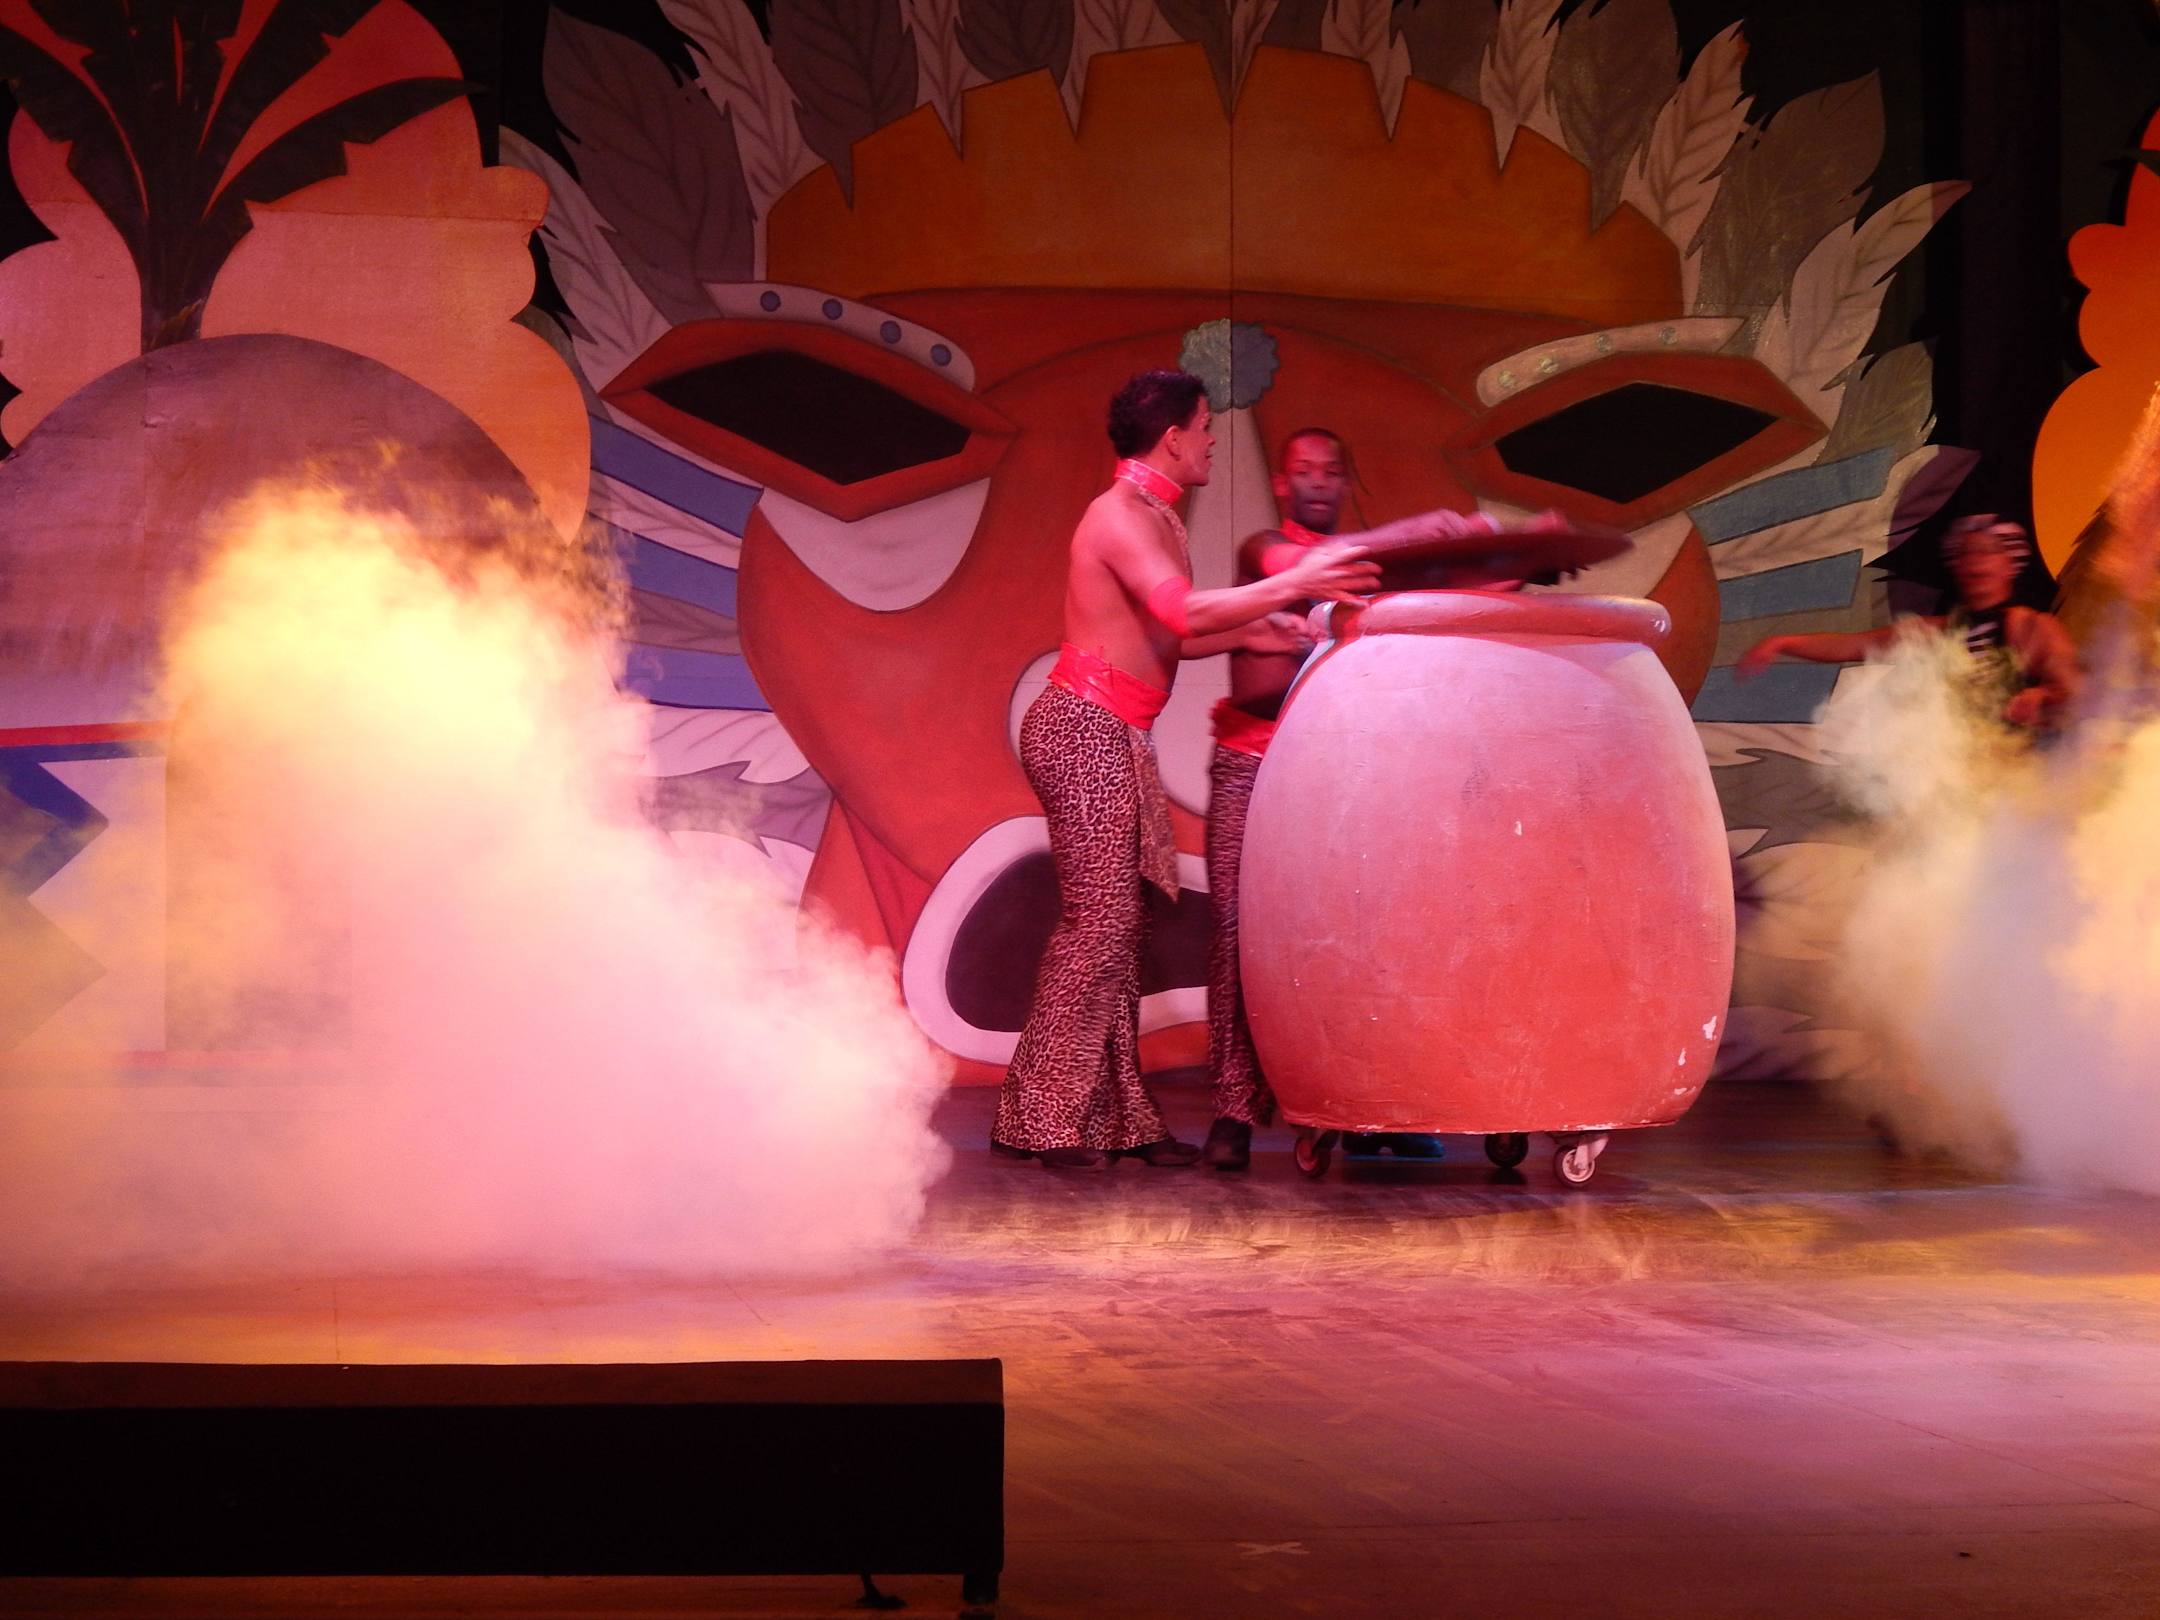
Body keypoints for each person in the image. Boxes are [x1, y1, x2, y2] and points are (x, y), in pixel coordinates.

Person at [991, 373, 1380, 1170]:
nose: (1211, 439)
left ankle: (1117, 1121)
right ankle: (1037, 1118)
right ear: (1171, 436)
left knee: (1122, 933)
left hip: (1115, 732)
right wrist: (1292, 584)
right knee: (1099, 928)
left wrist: (1258, 626)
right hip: (1083, 727)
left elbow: (1172, 636)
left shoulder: (1155, 515)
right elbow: (1180, 611)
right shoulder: (1120, 515)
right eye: (1203, 426)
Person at [1201, 426, 1536, 1171]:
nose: (1318, 482)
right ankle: (1233, 1109)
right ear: (1283, 483)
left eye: (1331, 471)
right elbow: (1304, 568)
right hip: (1250, 764)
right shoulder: (1266, 550)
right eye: (1305, 471)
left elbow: (1463, 594)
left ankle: (1363, 1107)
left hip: (1334, 770)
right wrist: (1421, 531)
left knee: (1351, 934)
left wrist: (1512, 552)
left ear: (1346, 482)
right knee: (1236, 932)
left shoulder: (1374, 574)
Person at [1735, 514, 2080, 728]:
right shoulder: (1935, 631)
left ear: (2011, 563)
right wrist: (1782, 642)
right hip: (1954, 774)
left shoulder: (2034, 628)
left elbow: (2076, 691)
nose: (1976, 560)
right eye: (1967, 552)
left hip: (2018, 777)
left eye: (1988, 550)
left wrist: (2040, 695)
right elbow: (1856, 644)